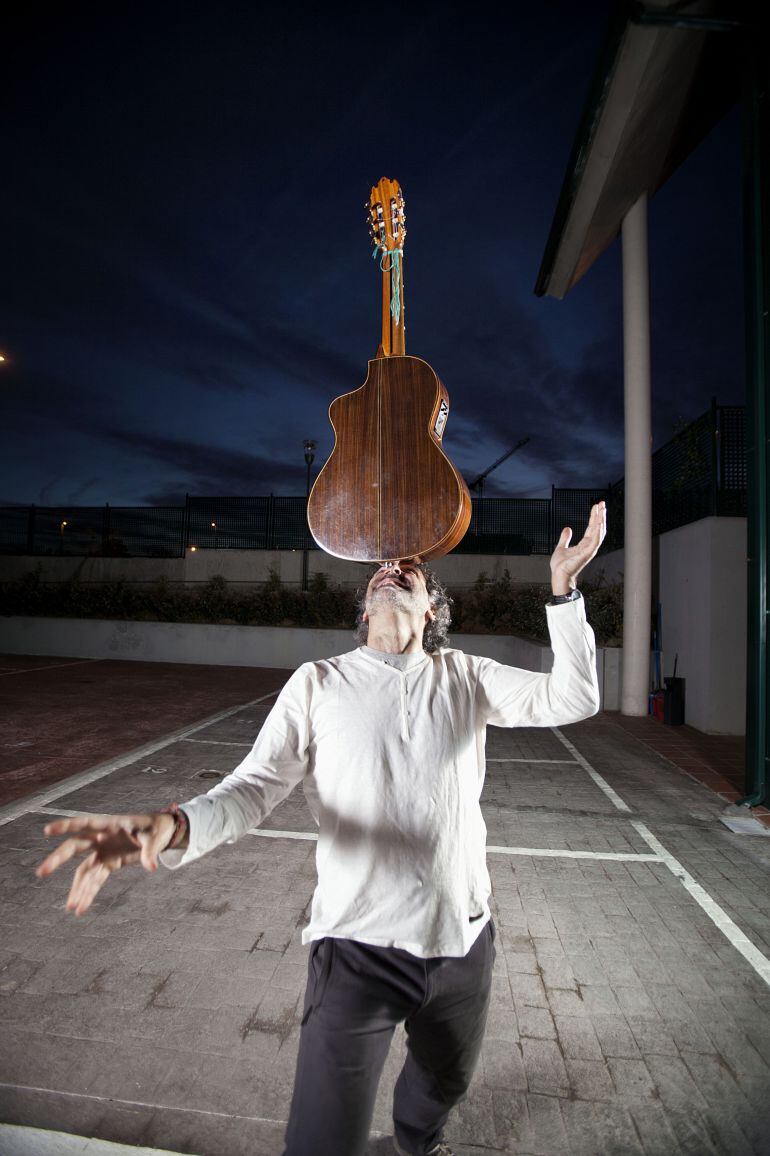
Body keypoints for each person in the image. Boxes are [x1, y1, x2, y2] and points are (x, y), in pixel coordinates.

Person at [35, 501, 606, 1156]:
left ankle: (418, 1144)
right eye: (383, 569)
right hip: (357, 950)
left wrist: (564, 594)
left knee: (445, 1082)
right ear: (366, 610)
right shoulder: (319, 683)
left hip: (463, 942)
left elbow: (574, 697)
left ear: (431, 612)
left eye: (412, 568)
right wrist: (174, 824)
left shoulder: (465, 677)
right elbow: (253, 787)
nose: (394, 566)